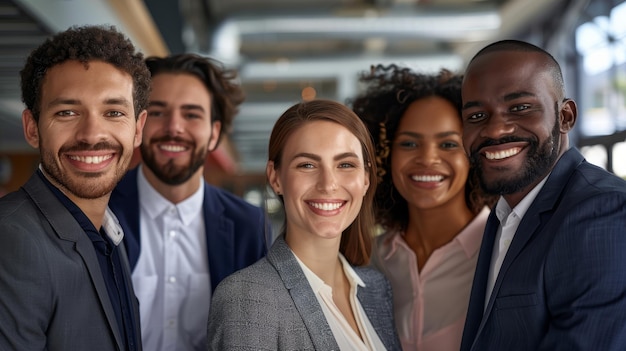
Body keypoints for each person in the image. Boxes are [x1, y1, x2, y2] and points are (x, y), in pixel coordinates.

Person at [459, 39, 626, 351]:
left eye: (520, 108)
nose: (495, 130)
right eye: (477, 116)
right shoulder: (504, 215)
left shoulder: (603, 211)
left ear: (565, 117)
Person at [207, 99, 401, 350]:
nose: (328, 183)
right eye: (307, 165)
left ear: (365, 178)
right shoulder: (246, 298)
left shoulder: (376, 287)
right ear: (275, 178)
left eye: (345, 164)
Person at [0, 25, 149, 350]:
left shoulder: (112, 234)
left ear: (138, 129)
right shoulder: (11, 239)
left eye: (113, 112)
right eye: (67, 112)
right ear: (32, 128)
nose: (92, 134)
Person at [108, 53, 268, 351]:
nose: (174, 128)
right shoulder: (99, 210)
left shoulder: (249, 225)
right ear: (138, 123)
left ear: (214, 134)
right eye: (157, 112)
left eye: (192, 114)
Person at [350, 64, 497, 351]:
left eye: (448, 144)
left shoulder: (505, 252)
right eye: (408, 143)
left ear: (474, 154)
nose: (428, 159)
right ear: (385, 156)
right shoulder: (366, 258)